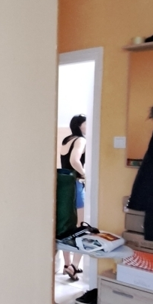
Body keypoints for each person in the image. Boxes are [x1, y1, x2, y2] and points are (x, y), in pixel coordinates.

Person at [60, 114, 87, 280]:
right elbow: (74, 160)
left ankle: (66, 264)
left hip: (63, 185)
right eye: (86, 124)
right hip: (75, 184)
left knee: (66, 225)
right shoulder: (80, 140)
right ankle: (74, 267)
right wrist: (85, 174)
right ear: (79, 125)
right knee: (80, 226)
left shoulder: (66, 140)